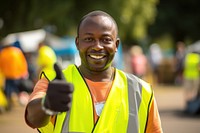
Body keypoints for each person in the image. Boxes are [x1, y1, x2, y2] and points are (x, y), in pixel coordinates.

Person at [25, 10, 163, 133]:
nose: (97, 46)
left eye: (106, 39)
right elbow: (32, 118)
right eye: (89, 39)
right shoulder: (54, 83)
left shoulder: (141, 91)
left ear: (116, 45)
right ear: (77, 43)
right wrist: (47, 105)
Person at [0, 40, 29, 109]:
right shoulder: (17, 51)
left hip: (7, 75)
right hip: (17, 74)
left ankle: (10, 102)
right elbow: (23, 62)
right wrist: (24, 71)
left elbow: (1, 65)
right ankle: (18, 101)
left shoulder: (3, 53)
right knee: (17, 88)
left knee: (9, 89)